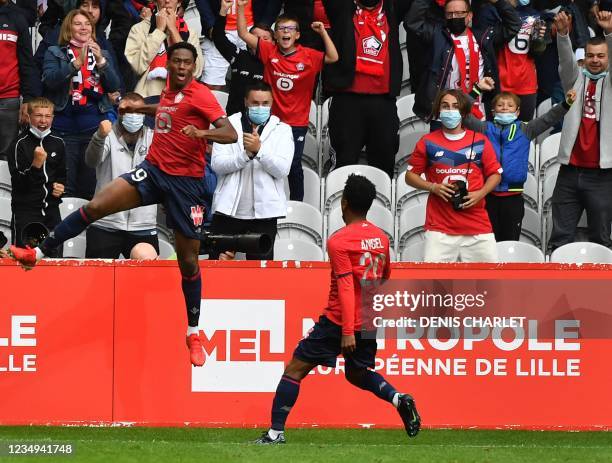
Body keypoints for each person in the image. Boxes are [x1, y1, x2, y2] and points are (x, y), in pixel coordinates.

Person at [9, 42, 239, 368]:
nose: (183, 67)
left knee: (188, 263)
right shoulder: (167, 96)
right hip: (154, 172)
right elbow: (164, 108)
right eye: (177, 62)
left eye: (188, 62)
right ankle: (37, 253)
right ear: (170, 64)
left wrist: (201, 133)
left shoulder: (201, 95)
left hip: (186, 186)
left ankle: (193, 332)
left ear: (194, 66)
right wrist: (139, 110)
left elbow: (229, 134)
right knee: (96, 206)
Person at [255, 174, 420, 445]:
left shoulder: (339, 241)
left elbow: (345, 287)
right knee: (357, 374)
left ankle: (275, 433)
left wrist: (346, 331)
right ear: (368, 206)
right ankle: (397, 398)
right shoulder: (380, 238)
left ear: (343, 203)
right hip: (368, 321)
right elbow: (385, 274)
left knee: (294, 369)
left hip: (338, 321)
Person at [237, 3, 338, 201]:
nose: (286, 32)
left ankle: (296, 204)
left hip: (296, 123)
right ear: (275, 35)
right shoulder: (268, 51)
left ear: (298, 35)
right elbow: (242, 33)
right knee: (263, 162)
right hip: (270, 121)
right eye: (282, 29)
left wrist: (323, 33)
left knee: (292, 165)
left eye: (291, 29)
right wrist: (241, 8)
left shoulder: (309, 56)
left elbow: (333, 57)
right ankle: (266, 200)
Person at [463, 79, 576, 241]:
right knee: (487, 242)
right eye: (500, 106)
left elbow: (549, 118)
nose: (505, 108)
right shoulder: (484, 128)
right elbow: (463, 114)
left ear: (517, 112)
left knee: (510, 242)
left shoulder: (526, 129)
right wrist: (477, 89)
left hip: (513, 198)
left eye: (509, 106)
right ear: (493, 111)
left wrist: (566, 104)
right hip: (487, 195)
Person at [404, 89, 502, 262]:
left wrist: (481, 193)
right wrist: (433, 187)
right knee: (434, 286)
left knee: (490, 284)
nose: (450, 111)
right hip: (439, 229)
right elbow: (410, 176)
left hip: (478, 227)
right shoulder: (428, 142)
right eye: (445, 106)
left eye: (455, 106)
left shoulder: (480, 140)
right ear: (438, 111)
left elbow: (495, 174)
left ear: (463, 112)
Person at [323, 0, 412, 178]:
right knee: (343, 162)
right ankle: (339, 204)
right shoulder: (342, 10)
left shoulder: (391, 10)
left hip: (383, 101)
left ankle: (381, 204)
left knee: (384, 162)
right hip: (347, 99)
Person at [548, 11, 612, 251]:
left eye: (601, 56)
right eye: (590, 56)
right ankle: (555, 289)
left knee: (602, 240)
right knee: (560, 239)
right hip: (569, 173)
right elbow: (565, 64)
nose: (595, 60)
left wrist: (609, 33)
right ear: (584, 58)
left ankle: (603, 289)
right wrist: (563, 35)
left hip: (603, 176)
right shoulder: (574, 81)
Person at [42, 9, 122, 200]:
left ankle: (87, 229)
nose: (83, 27)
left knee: (89, 188)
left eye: (87, 24)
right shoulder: (54, 52)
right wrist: (75, 64)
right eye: (78, 23)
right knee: (64, 186)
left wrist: (102, 61)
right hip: (63, 129)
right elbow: (50, 81)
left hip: (93, 129)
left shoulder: (102, 53)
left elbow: (114, 85)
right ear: (69, 28)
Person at [209, 81, 293, 260]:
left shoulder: (283, 130)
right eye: (255, 103)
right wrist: (245, 155)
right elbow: (217, 164)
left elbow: (283, 170)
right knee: (219, 268)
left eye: (265, 104)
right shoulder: (227, 125)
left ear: (272, 103)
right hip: (228, 211)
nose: (260, 108)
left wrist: (259, 151)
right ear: (246, 101)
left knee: (260, 276)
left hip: (265, 216)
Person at [406, 0, 521, 123]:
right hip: (444, 114)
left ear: (470, 15)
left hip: (478, 114)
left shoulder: (484, 37)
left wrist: (498, 2)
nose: (454, 17)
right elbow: (413, 23)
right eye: (450, 14)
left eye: (459, 13)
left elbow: (513, 25)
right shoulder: (437, 35)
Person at [84, 92, 159, 258]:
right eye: (128, 111)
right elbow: (91, 161)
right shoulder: (107, 135)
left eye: (138, 112)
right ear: (119, 112)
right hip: (105, 222)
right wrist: (99, 137)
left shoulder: (154, 138)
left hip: (143, 224)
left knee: (149, 280)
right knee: (98, 281)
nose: (134, 116)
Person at [8, 97, 66, 257]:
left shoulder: (58, 142)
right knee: (26, 265)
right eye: (39, 115)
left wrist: (61, 187)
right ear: (29, 116)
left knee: (56, 262)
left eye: (48, 116)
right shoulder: (19, 144)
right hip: (27, 213)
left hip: (52, 212)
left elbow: (62, 176)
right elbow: (19, 185)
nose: (43, 121)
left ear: (53, 118)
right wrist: (36, 165)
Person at [124, 0, 203, 99]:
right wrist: (159, 30)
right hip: (148, 98)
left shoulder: (190, 32)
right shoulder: (139, 29)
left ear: (179, 3)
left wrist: (173, 30)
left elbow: (196, 71)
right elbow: (137, 66)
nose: (167, 1)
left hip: (181, 99)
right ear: (156, 2)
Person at [196, 0, 281, 89]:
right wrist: (210, 25)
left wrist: (264, 24)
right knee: (212, 81)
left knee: (257, 78)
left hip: (253, 27)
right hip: (219, 26)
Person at [212, 0, 273, 115]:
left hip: (265, 122)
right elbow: (218, 37)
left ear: (274, 43)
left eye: (265, 39)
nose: (259, 42)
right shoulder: (239, 56)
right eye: (255, 37)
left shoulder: (276, 62)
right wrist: (223, 11)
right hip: (235, 120)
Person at [0, 0, 41, 161]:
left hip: (9, 100)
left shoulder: (17, 17)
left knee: (6, 160)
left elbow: (26, 62)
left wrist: (29, 98)